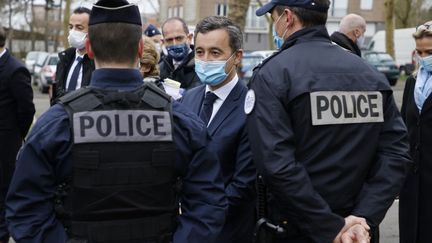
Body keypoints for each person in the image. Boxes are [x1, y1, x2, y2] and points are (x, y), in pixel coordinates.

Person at [5, 1, 227, 242]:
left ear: (89, 48)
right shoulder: (182, 122)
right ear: (141, 47)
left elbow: (25, 211)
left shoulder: (55, 125)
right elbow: (209, 205)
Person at [247, 0, 411, 242]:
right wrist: (363, 217)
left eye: (274, 18)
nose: (275, 25)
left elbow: (276, 165)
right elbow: (396, 154)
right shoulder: (370, 75)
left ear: (288, 17)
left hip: (298, 230)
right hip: (358, 234)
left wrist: (331, 227)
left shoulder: (273, 75)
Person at [181, 16, 256, 243]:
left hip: (227, 230)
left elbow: (244, 185)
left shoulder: (251, 107)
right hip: (185, 228)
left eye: (215, 53)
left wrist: (201, 215)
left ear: (237, 57)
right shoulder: (189, 99)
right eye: (200, 52)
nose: (205, 60)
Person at [0, 25, 35, 243]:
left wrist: (15, 134)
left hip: (5, 144)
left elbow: (26, 110)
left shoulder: (14, 69)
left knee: (4, 192)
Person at [399, 21, 432, 243]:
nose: (423, 57)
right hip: (412, 181)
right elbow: (404, 127)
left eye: (429, 52)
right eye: (419, 52)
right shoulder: (412, 82)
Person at [51, 7, 95, 105]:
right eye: (71, 27)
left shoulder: (98, 63)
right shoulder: (64, 59)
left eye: (79, 28)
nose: (73, 32)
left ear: (92, 31)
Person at [159, 17, 201, 90]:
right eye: (169, 40)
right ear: (163, 42)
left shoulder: (202, 66)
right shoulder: (159, 69)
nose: (175, 44)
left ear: (190, 38)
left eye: (179, 38)